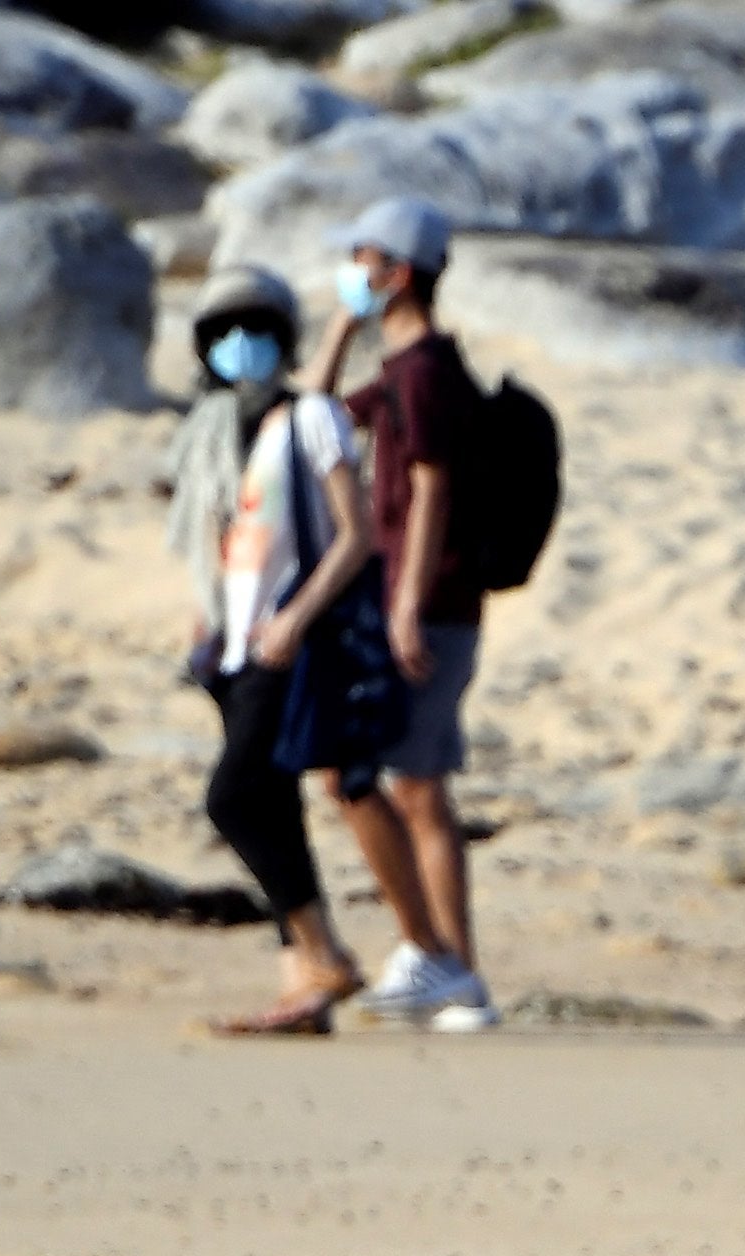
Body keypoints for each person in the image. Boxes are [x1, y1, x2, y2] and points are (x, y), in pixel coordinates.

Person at [300, 194, 492, 1028]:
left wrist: (407, 605)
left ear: (400, 272)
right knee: (417, 787)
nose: (354, 272)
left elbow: (432, 490)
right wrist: (342, 327)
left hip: (430, 604)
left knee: (402, 785)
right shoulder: (406, 368)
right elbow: (314, 416)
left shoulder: (428, 374)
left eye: (365, 261)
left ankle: (444, 963)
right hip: (412, 601)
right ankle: (449, 969)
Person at [169, 262, 374, 1036]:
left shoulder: (310, 418)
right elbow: (224, 534)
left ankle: (325, 954)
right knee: (275, 806)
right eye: (224, 333)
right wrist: (206, 615)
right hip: (233, 645)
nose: (240, 344)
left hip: (290, 640)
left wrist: (296, 617)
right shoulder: (219, 428)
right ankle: (302, 987)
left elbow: (357, 536)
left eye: (255, 331)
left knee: (233, 798)